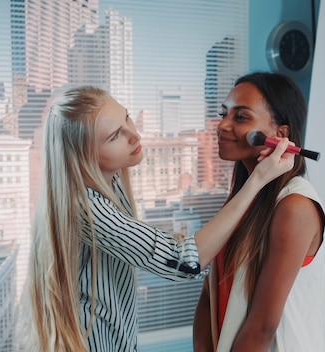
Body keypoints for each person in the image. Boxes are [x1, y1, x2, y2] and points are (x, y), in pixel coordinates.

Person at [22, 85, 295, 352]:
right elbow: (184, 261)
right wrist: (257, 180)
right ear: (82, 156)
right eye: (115, 135)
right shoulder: (84, 207)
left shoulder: (111, 183)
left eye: (127, 118)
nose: (134, 135)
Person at [192, 72, 325, 352]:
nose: (223, 125)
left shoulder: (295, 208)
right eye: (224, 113)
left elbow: (262, 328)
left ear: (280, 136)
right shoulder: (240, 202)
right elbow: (208, 299)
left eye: (241, 117)